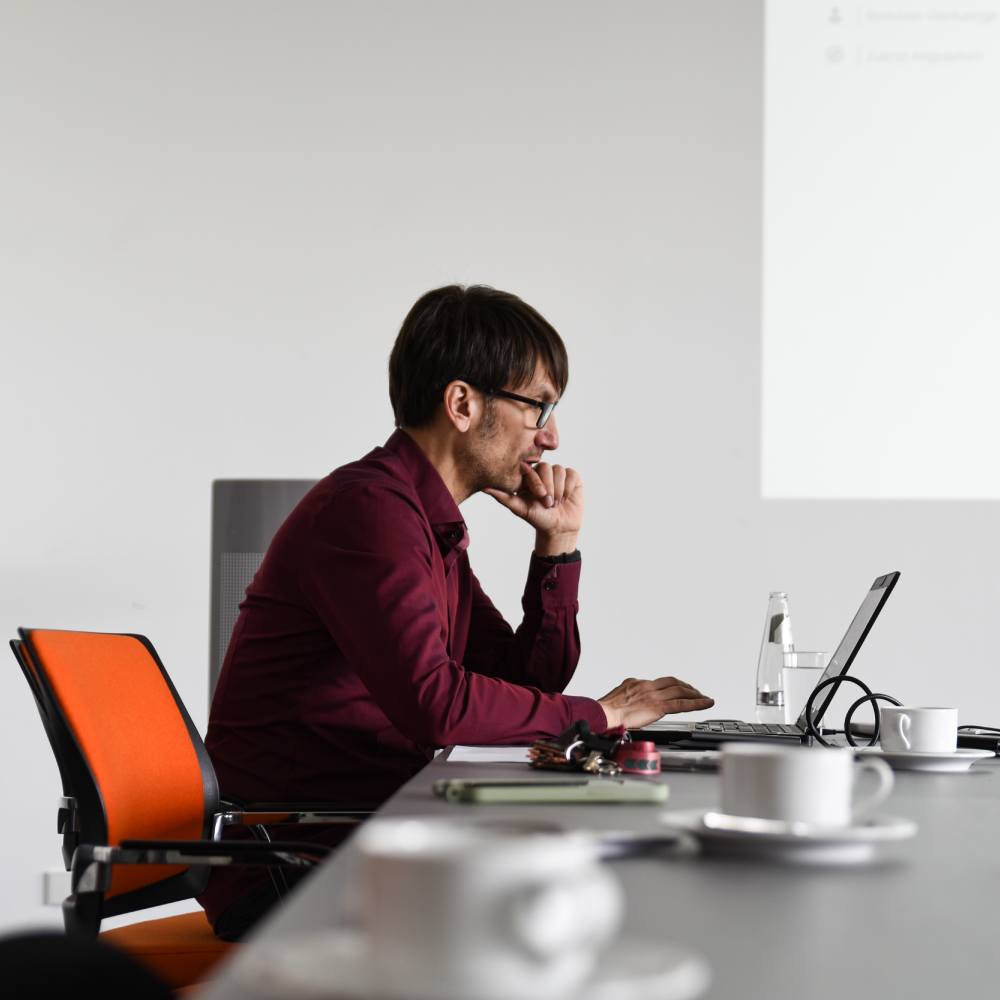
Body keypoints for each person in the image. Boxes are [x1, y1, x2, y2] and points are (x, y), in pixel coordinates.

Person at [199, 284, 713, 939]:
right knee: (573, 912)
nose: (551, 438)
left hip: (358, 839)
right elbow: (433, 703)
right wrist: (604, 714)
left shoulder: (420, 522)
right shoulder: (368, 514)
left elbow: (527, 682)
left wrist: (557, 546)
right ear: (463, 404)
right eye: (539, 407)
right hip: (293, 866)